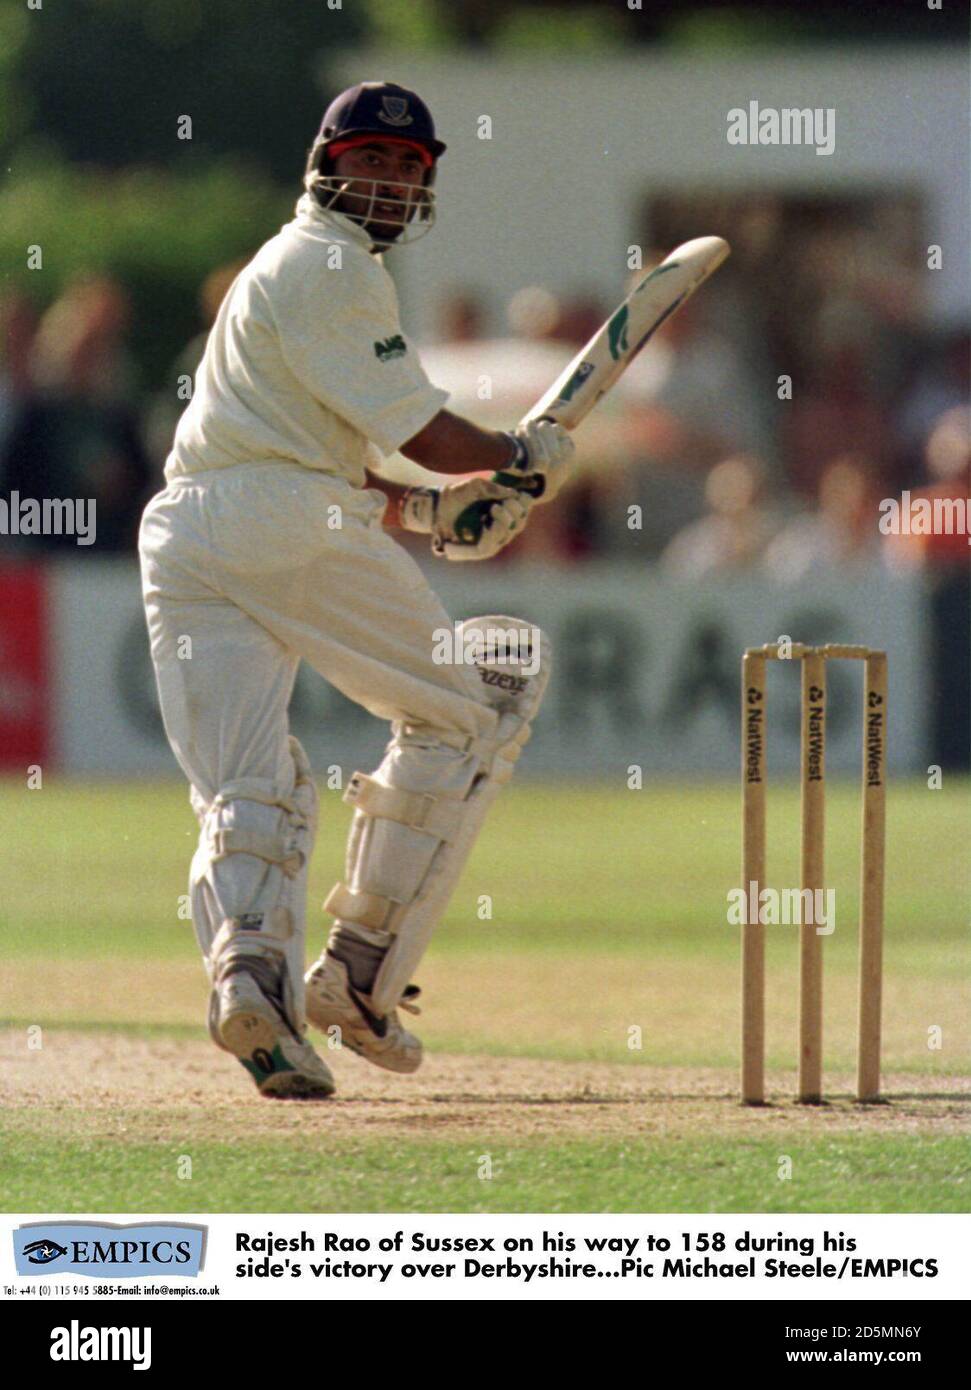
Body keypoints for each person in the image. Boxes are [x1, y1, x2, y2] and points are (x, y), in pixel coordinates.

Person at [138, 82, 574, 1099]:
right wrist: (518, 453)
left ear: (422, 185)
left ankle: (250, 983)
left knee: (246, 787)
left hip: (190, 532)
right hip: (285, 521)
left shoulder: (277, 269)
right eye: (367, 160)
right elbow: (421, 430)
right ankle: (360, 973)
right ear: (326, 167)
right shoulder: (335, 267)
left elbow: (311, 449)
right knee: (471, 710)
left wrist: (427, 512)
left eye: (403, 166)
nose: (382, 180)